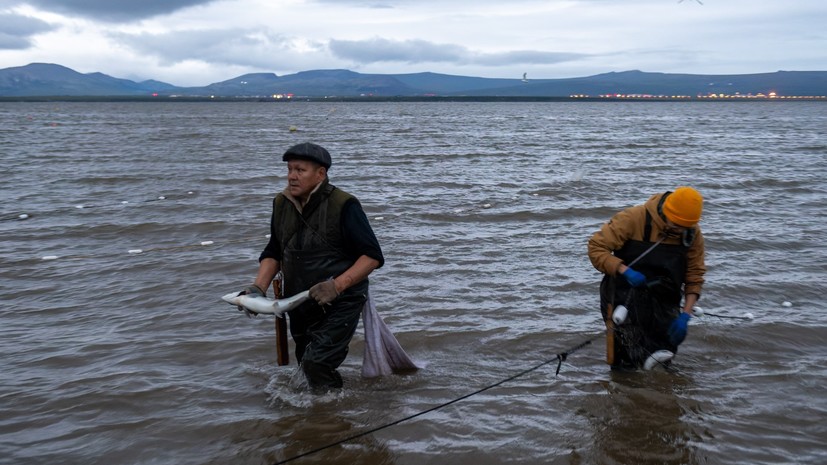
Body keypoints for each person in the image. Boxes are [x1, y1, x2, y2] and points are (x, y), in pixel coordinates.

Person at [238, 142, 384, 391]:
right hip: (299, 301)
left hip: (341, 301)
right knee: (305, 367)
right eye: (289, 169)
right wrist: (257, 289)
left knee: (317, 364)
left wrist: (337, 286)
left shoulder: (344, 205)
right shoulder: (280, 204)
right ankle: (317, 418)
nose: (292, 176)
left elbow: (372, 256)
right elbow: (274, 251)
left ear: (321, 174)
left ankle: (335, 418)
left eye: (300, 170)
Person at [587, 187, 706, 370]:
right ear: (666, 212)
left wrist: (685, 316)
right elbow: (596, 248)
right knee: (625, 363)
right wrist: (624, 270)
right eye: (675, 225)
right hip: (623, 296)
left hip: (664, 301)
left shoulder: (692, 233)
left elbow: (694, 276)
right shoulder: (633, 218)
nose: (679, 232)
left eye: (684, 228)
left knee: (662, 357)